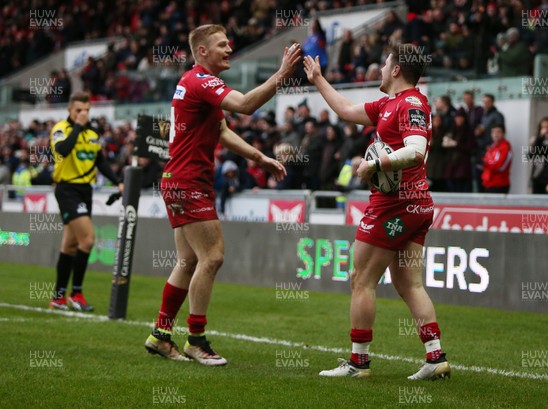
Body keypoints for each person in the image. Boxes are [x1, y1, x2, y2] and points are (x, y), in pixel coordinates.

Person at [144, 24, 299, 365]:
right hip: (189, 183)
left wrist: (259, 157)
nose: (229, 49)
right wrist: (282, 75)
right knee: (212, 258)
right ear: (202, 51)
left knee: (188, 261)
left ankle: (160, 335)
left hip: (178, 179)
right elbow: (244, 105)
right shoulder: (201, 81)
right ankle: (196, 340)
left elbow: (222, 131)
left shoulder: (195, 84)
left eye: (229, 43)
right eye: (221, 45)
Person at [304, 44, 451, 380]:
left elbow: (417, 150)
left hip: (395, 205)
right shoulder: (388, 104)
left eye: (385, 63)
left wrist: (376, 163)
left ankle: (359, 363)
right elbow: (344, 109)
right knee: (409, 283)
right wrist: (318, 80)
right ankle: (435, 356)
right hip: (415, 205)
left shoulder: (410, 102)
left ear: (397, 70)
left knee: (361, 280)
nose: (381, 69)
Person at [48, 91, 124, 311]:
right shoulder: (61, 129)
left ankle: (58, 296)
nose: (83, 114)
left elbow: (100, 161)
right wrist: (79, 126)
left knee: (70, 244)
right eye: (79, 110)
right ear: (70, 110)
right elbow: (63, 150)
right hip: (67, 189)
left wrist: (117, 181)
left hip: (85, 191)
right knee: (88, 239)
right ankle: (76, 293)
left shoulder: (93, 134)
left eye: (87, 110)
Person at [473, 94, 504, 192]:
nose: (485, 104)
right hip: (481, 151)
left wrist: (491, 146)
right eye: (484, 101)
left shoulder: (497, 115)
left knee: (489, 180)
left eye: (487, 101)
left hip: (490, 150)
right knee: (480, 179)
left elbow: (499, 133)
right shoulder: (483, 115)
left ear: (492, 102)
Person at [528, 117, 548, 194]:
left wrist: (539, 140)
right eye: (543, 127)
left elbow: (544, 151)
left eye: (547, 127)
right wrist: (537, 140)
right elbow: (530, 156)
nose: (545, 130)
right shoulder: (538, 140)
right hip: (537, 176)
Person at [481, 123, 512, 193]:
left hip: (499, 184)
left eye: (498, 132)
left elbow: (500, 167)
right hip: (487, 183)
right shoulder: (492, 146)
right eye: (493, 132)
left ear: (503, 133)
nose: (495, 134)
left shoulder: (505, 147)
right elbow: (485, 160)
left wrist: (486, 163)